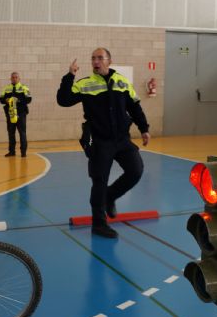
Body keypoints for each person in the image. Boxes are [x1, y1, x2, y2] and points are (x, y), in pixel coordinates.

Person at [56, 48, 151, 239]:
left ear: (109, 61)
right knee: (99, 182)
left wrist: (144, 128)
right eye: (93, 58)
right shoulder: (85, 84)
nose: (96, 61)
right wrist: (70, 76)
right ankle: (99, 224)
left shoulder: (122, 82)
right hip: (100, 141)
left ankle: (111, 196)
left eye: (100, 58)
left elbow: (134, 106)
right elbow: (63, 100)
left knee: (136, 170)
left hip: (122, 140)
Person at [0, 72, 31, 157]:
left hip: (21, 114)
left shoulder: (24, 87)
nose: (14, 79)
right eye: (13, 77)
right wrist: (6, 100)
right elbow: (1, 99)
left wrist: (18, 100)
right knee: (11, 133)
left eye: (16, 77)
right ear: (10, 78)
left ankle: (23, 152)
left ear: (19, 78)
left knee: (22, 133)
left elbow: (29, 99)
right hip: (10, 114)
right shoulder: (6, 88)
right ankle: (12, 151)